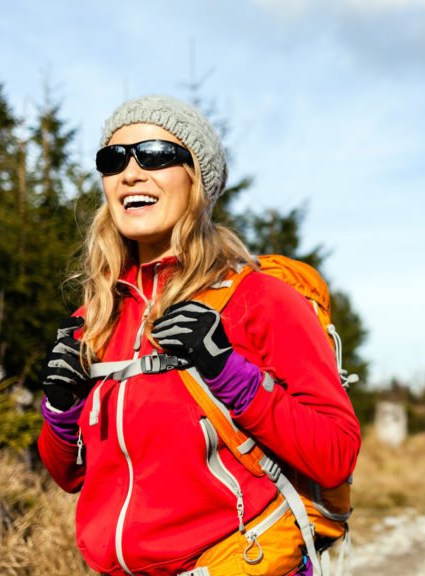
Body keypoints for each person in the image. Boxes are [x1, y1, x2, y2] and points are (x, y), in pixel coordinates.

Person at [37, 95, 361, 576]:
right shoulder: (96, 317)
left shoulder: (259, 299)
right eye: (113, 159)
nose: (130, 173)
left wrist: (231, 374)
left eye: (156, 155)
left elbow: (335, 453)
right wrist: (61, 412)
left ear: (199, 182)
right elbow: (70, 476)